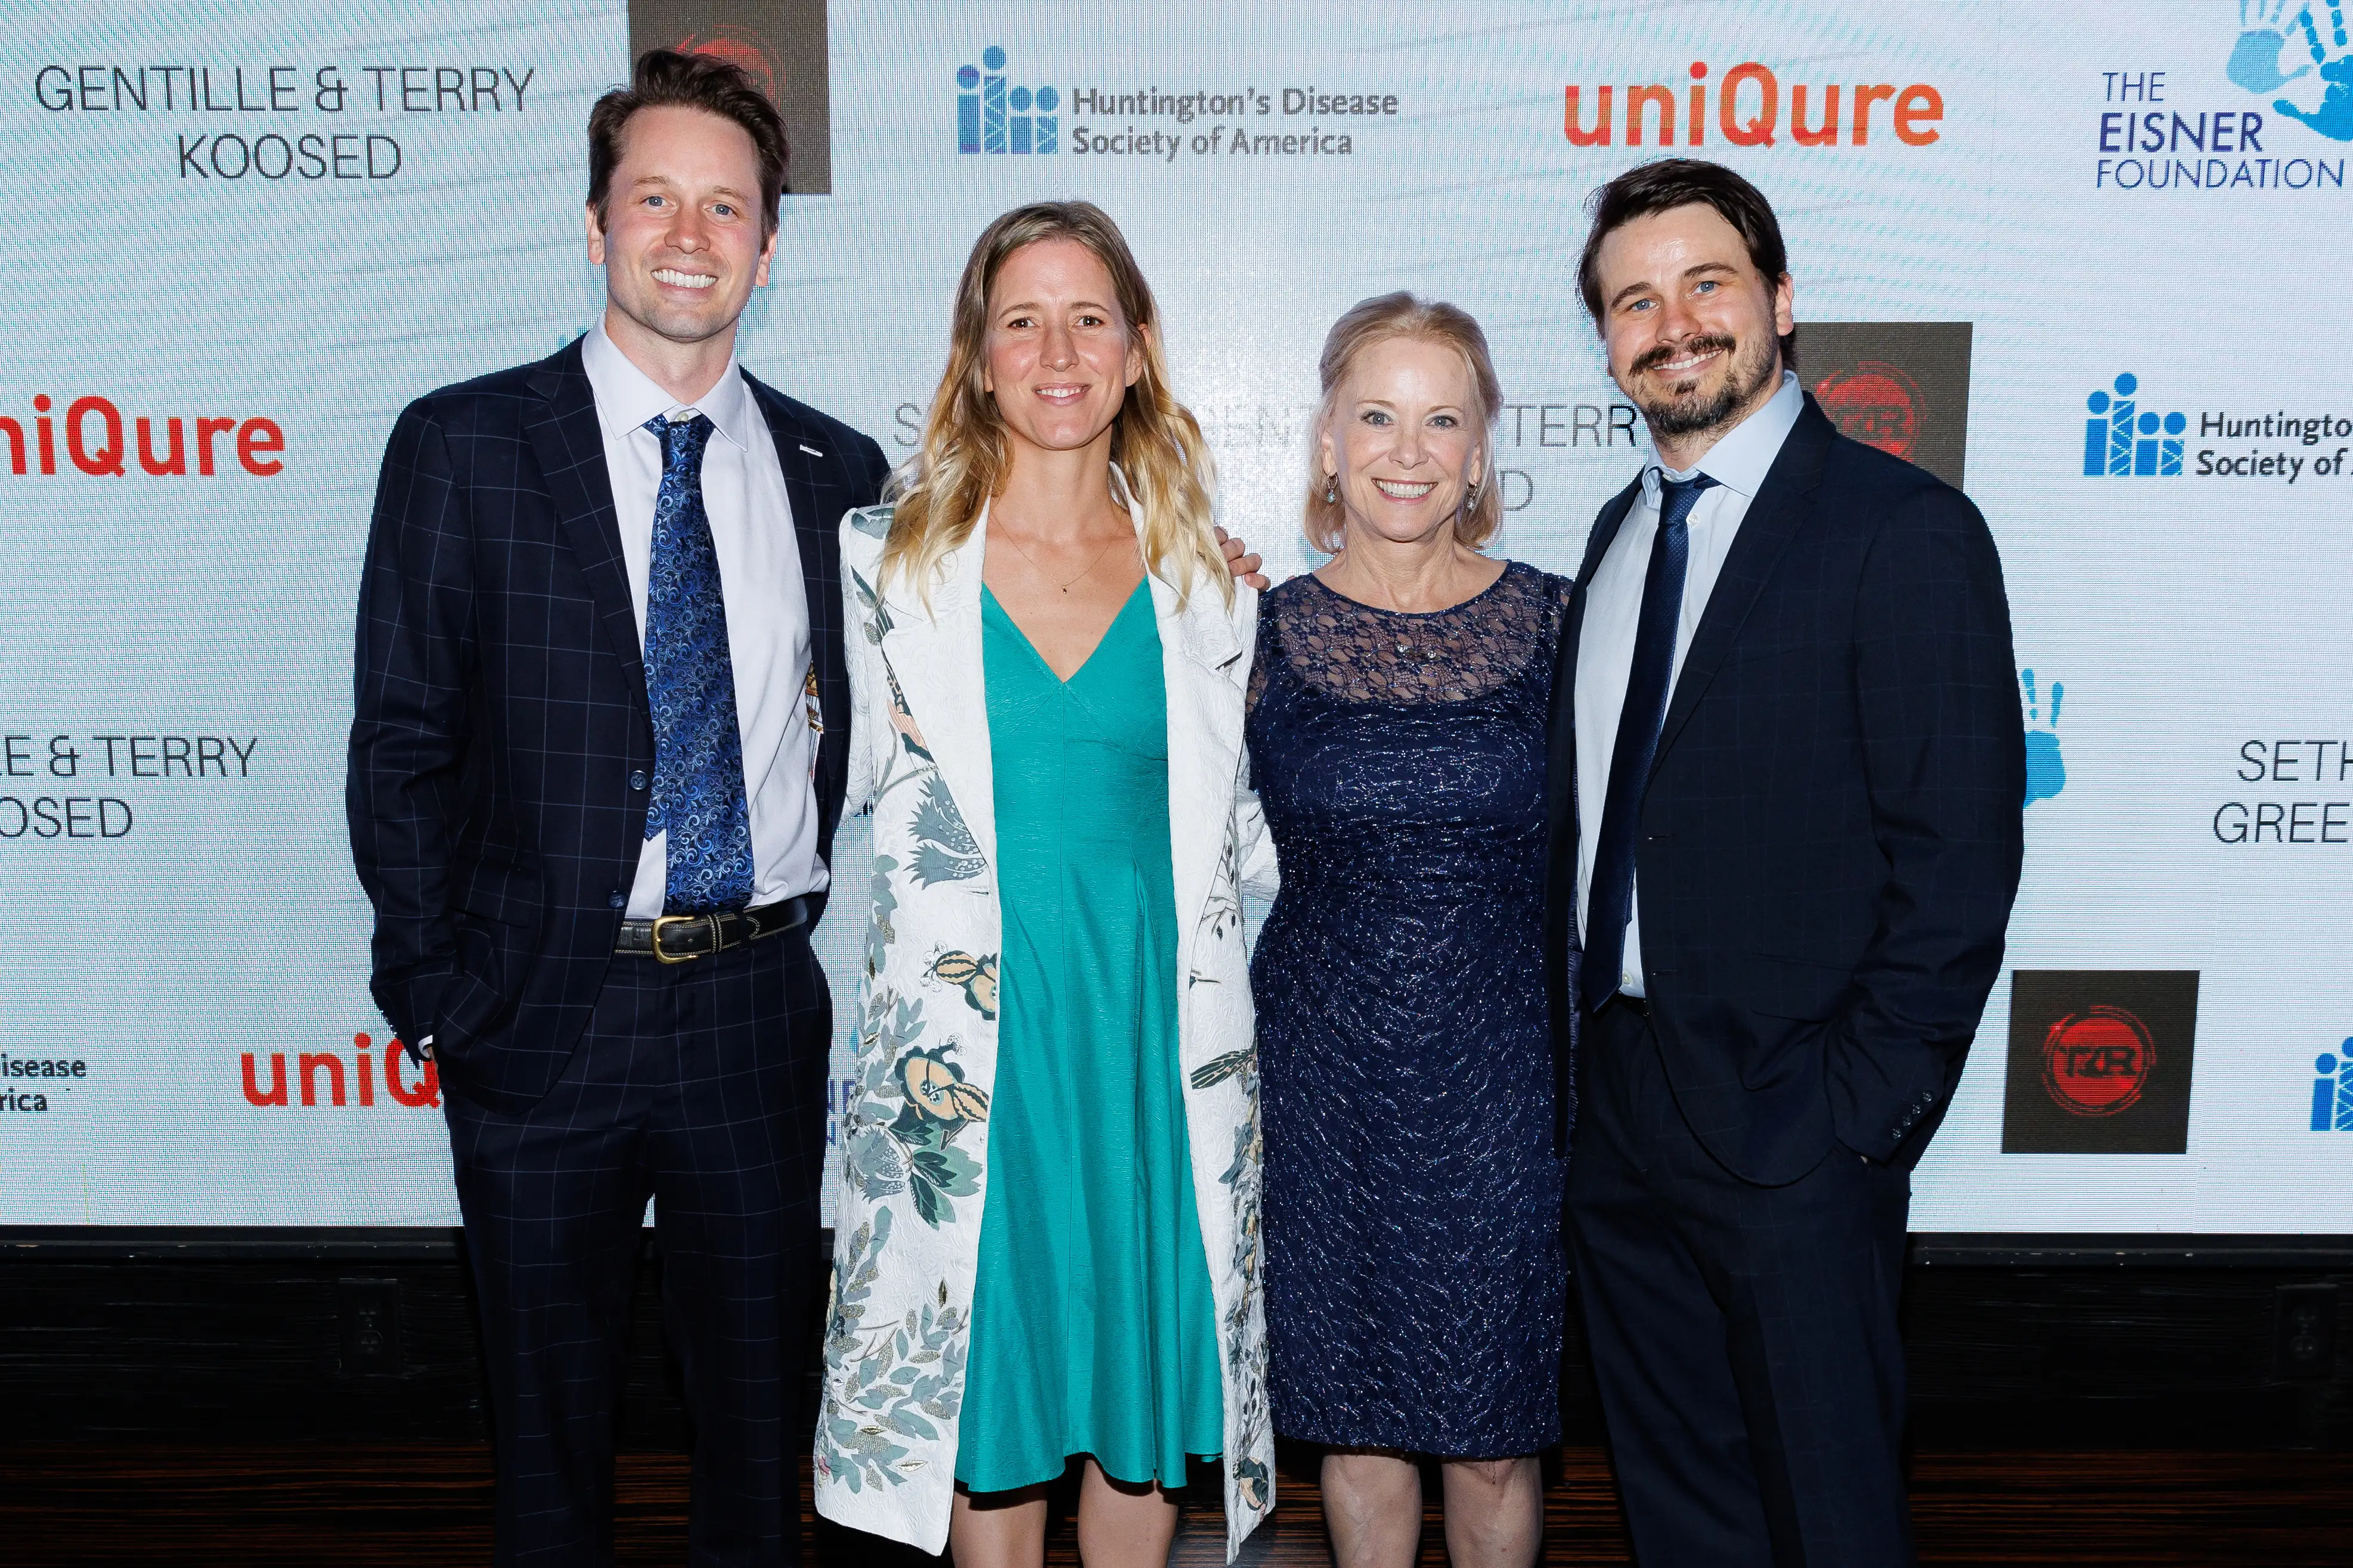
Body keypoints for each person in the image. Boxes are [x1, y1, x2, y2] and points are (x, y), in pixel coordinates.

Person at [347, 50, 888, 1564]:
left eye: (726, 207)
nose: (688, 235)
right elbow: (400, 743)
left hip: (753, 1013)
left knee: (756, 1443)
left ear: (768, 245)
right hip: (537, 1009)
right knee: (547, 1446)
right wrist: (441, 990)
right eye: (654, 199)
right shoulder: (464, 444)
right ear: (595, 224)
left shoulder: (836, 470)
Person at [1547, 158, 2025, 1566]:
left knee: (1830, 1522)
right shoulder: (1614, 535)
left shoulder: (1902, 531)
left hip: (1795, 1130)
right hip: (1616, 1113)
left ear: (1779, 301)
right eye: (1633, 301)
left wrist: (1852, 1117)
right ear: (1606, 341)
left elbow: (1957, 861)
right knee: (1680, 1515)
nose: (1672, 323)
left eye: (1705, 283)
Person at [815, 201, 1275, 1568]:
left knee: (1138, 1406)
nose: (1057, 352)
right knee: (985, 1399)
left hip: (1146, 1054)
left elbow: (1245, 840)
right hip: (970, 1065)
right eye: (1021, 321)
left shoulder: (1207, 582)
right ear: (977, 356)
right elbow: (821, 783)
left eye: (1088, 319)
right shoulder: (879, 564)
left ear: (1135, 351)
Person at [1247, 293, 1568, 1568]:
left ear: (1481, 452)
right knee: (1359, 1428)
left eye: (1442, 420)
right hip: (1323, 1079)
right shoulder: (1246, 628)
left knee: (1491, 1435)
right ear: (1327, 440)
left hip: (1500, 1082)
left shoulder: (1561, 622)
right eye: (1376, 416)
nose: (1407, 450)